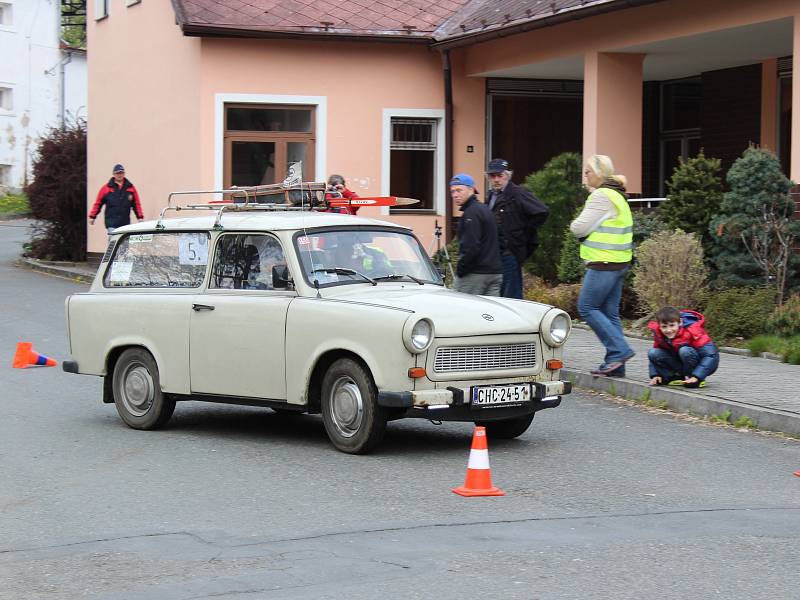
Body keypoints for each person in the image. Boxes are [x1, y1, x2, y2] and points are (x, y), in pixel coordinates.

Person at [570, 154, 635, 377]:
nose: (585, 175)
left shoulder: (601, 196)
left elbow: (578, 228)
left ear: (599, 173)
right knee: (610, 313)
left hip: (603, 261)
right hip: (619, 261)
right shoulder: (618, 194)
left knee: (587, 307)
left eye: (588, 170)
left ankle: (620, 351)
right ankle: (616, 365)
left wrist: (576, 225)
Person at [485, 158, 549, 299]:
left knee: (512, 296)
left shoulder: (517, 193)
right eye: (492, 176)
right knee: (499, 296)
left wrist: (522, 233)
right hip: (496, 254)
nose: (496, 179)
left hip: (510, 252)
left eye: (499, 175)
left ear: (507, 175)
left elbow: (542, 211)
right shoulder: (491, 196)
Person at [450, 173, 503, 296]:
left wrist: (461, 271)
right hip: (495, 273)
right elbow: (501, 239)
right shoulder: (486, 210)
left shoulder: (471, 213)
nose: (455, 195)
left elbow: (471, 247)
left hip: (475, 274)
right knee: (490, 313)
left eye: (459, 190)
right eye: (452, 191)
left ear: (471, 189)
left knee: (463, 310)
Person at [648, 306, 719, 388]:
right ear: (659, 326)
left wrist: (697, 376)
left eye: (672, 325)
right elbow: (654, 357)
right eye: (664, 326)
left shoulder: (693, 331)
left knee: (685, 350)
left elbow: (711, 356)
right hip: (681, 364)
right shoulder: (659, 335)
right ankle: (674, 377)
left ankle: (693, 378)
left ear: (680, 322)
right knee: (653, 352)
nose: (669, 330)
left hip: (699, 364)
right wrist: (656, 374)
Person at [89, 164, 144, 236]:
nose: (119, 175)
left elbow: (136, 204)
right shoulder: (106, 188)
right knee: (113, 242)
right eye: (117, 173)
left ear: (124, 174)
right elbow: (98, 203)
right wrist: (92, 216)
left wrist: (140, 217)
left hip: (125, 223)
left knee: (124, 244)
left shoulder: (130, 188)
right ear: (113, 174)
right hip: (112, 223)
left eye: (121, 173)